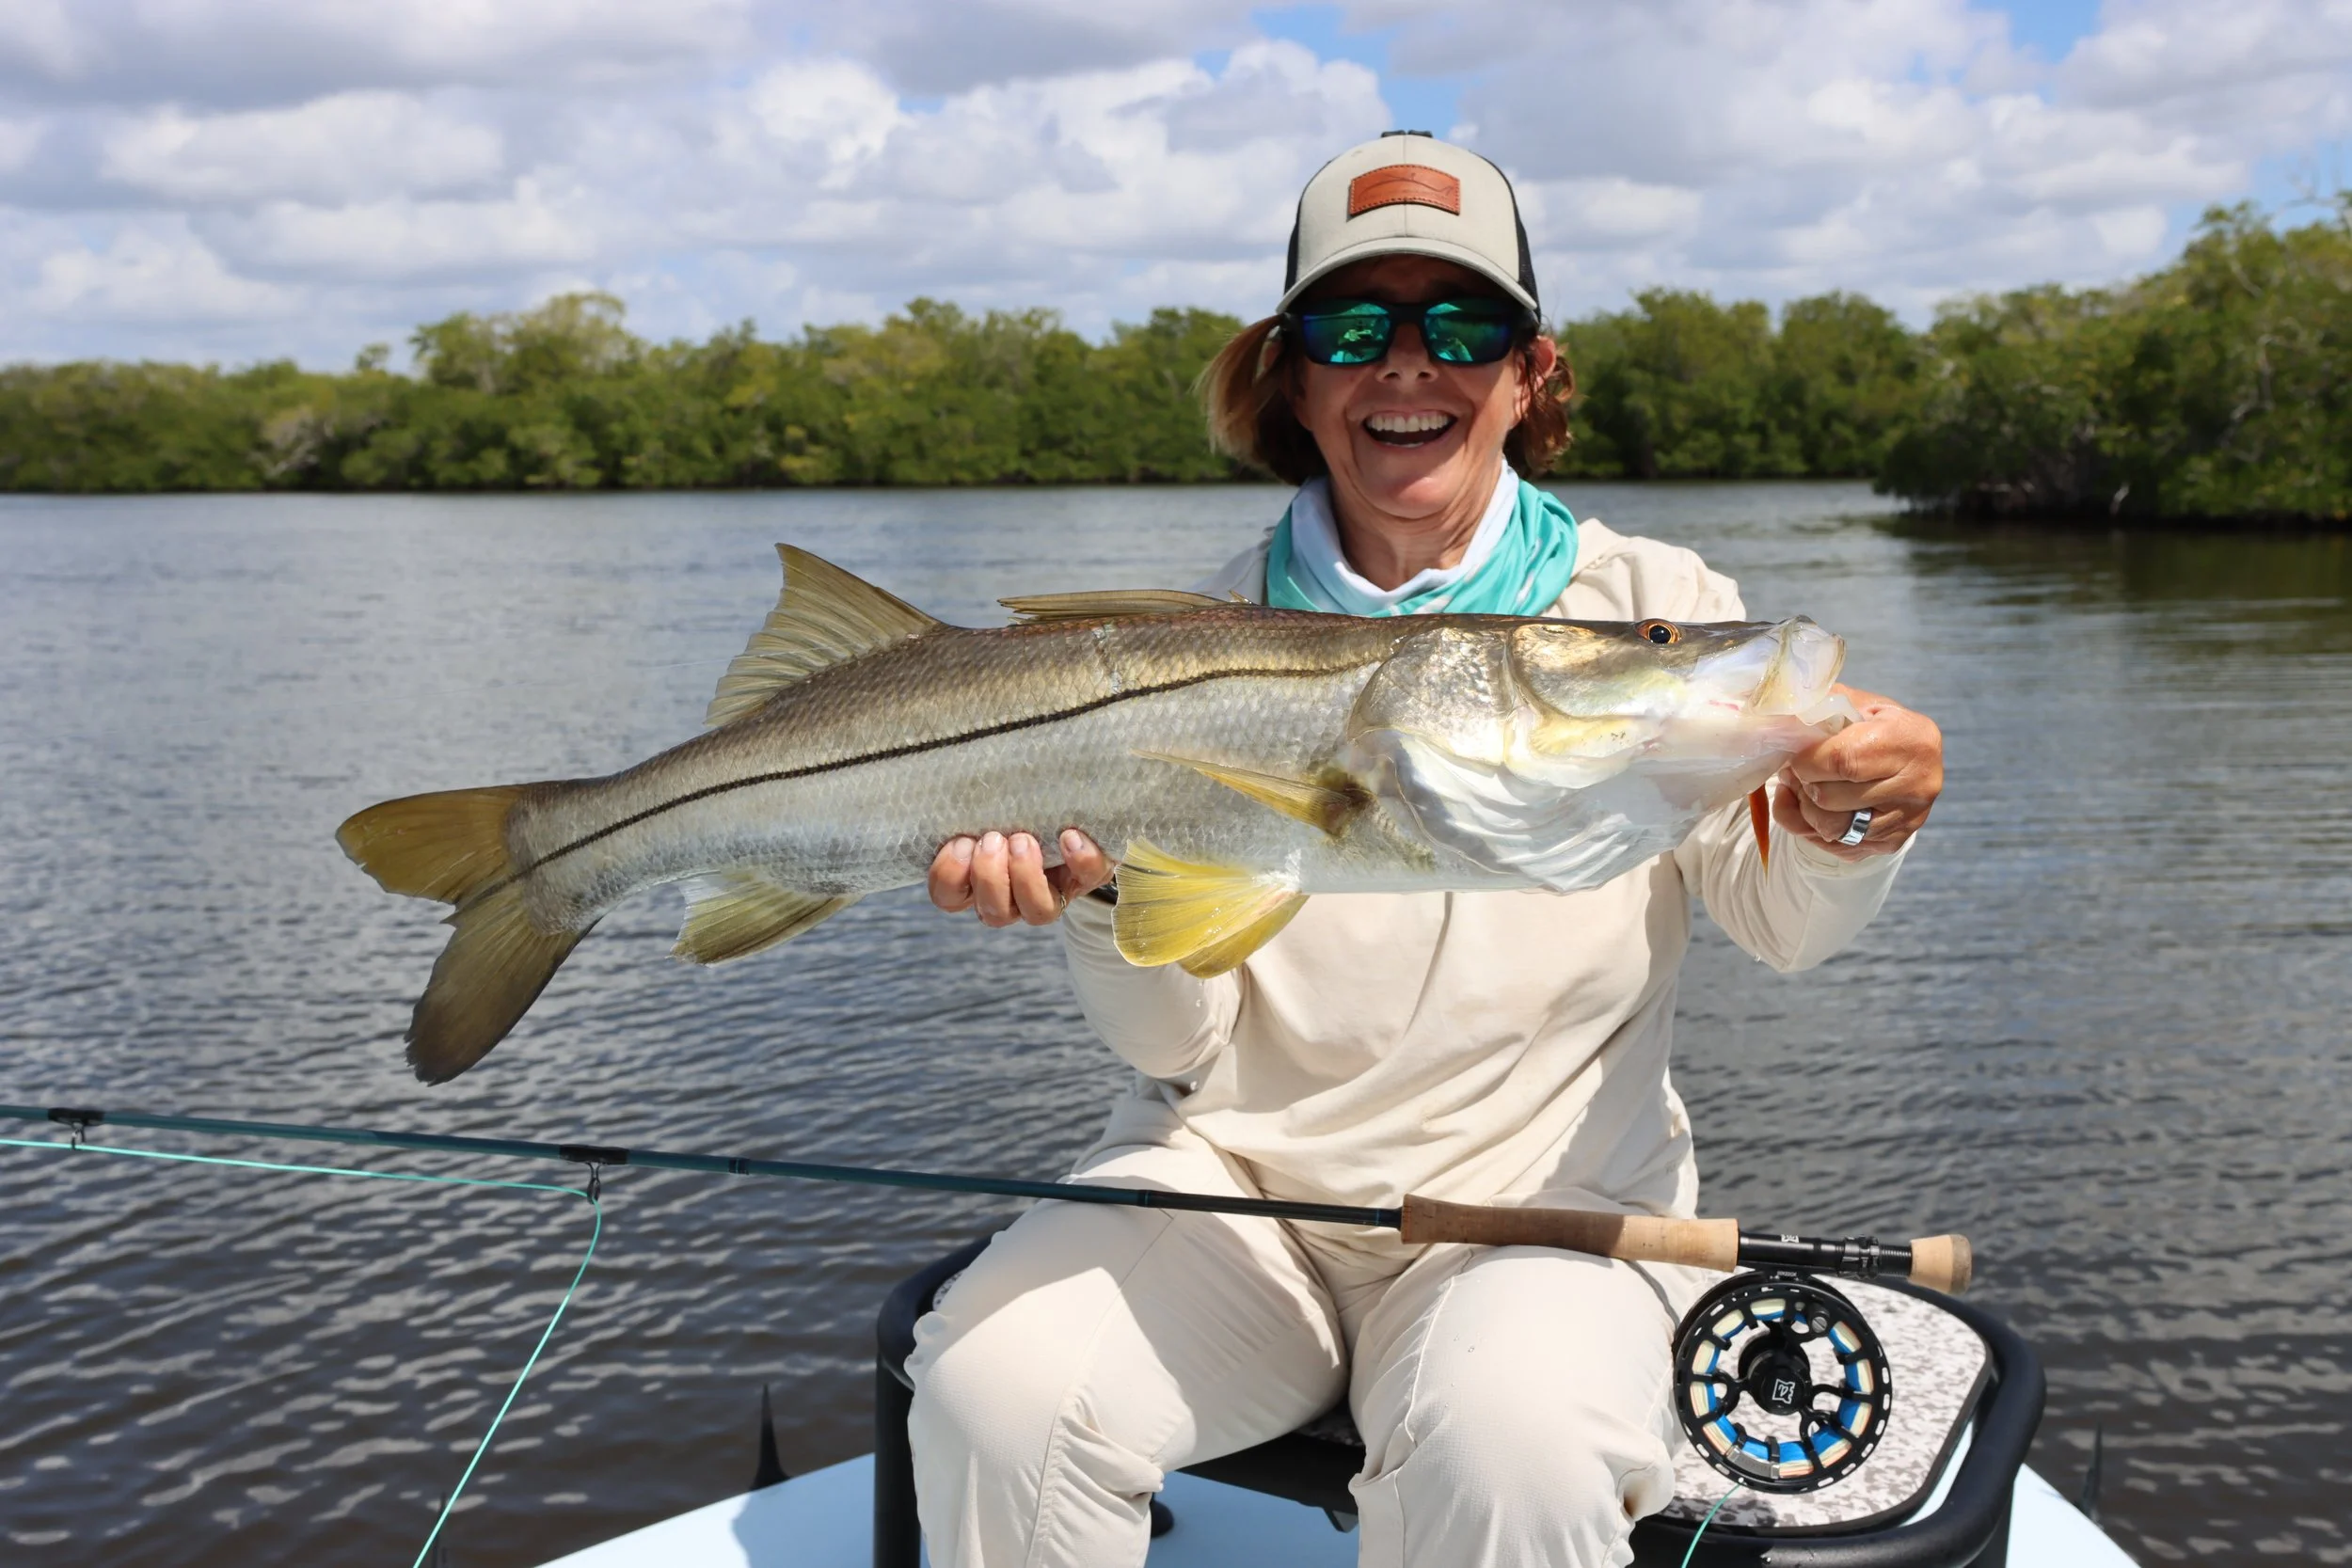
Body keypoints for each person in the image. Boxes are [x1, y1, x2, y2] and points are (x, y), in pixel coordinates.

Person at [906, 132, 1945, 1568]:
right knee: (998, 1388)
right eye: (1351, 326)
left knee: (1508, 1439)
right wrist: (1095, 904)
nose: (1408, 364)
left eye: (1463, 323)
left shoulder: (1659, 610)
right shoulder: (1179, 647)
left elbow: (1789, 925)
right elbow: (1178, 1043)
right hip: (1228, 1195)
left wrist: (1854, 813)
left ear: (1531, 373)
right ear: (1295, 379)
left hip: (1547, 1217)